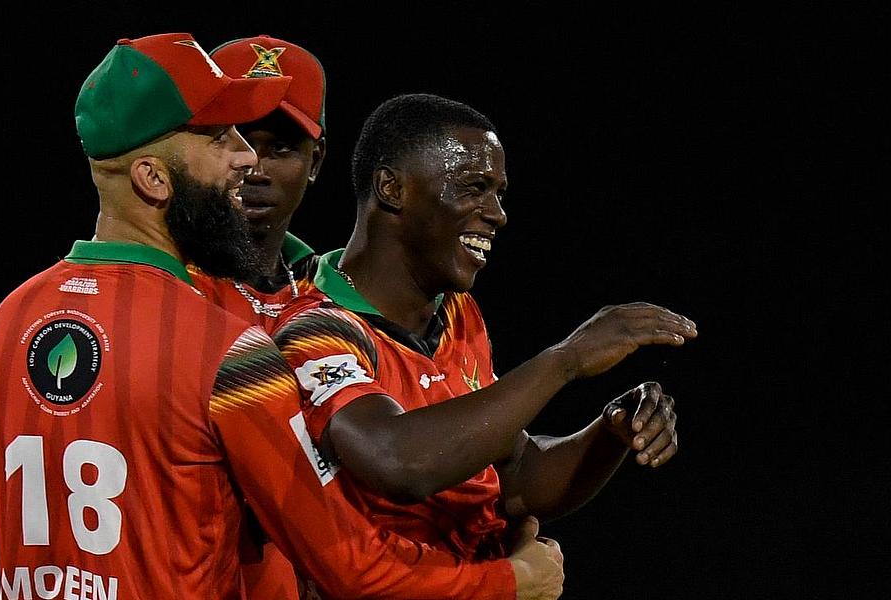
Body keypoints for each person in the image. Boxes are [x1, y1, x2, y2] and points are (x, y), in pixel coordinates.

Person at [0, 34, 564, 600]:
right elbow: (351, 563)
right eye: (219, 138)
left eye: (271, 143)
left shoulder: (11, 317)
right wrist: (511, 583)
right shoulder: (225, 345)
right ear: (153, 178)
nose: (246, 159)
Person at [271, 93, 698, 580]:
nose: (497, 213)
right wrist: (567, 359)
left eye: (498, 192)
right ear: (392, 188)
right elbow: (398, 462)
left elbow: (513, 476)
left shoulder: (458, 311)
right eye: (474, 187)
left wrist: (609, 433)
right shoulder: (314, 324)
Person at [190, 33, 327, 599]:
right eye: (234, 138)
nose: (254, 165)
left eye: (281, 148)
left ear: (315, 162)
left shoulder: (338, 301)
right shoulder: (165, 298)